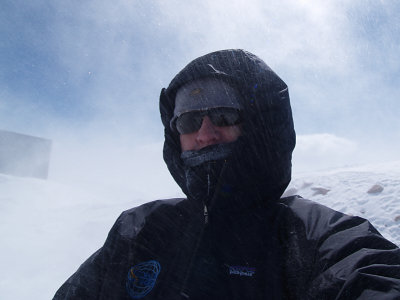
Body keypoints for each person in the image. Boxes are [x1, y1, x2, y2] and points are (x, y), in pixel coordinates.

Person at [54, 49, 400, 299]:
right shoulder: (140, 229)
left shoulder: (313, 237)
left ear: (258, 125)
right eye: (188, 122)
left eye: (223, 115)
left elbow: (371, 274)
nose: (204, 134)